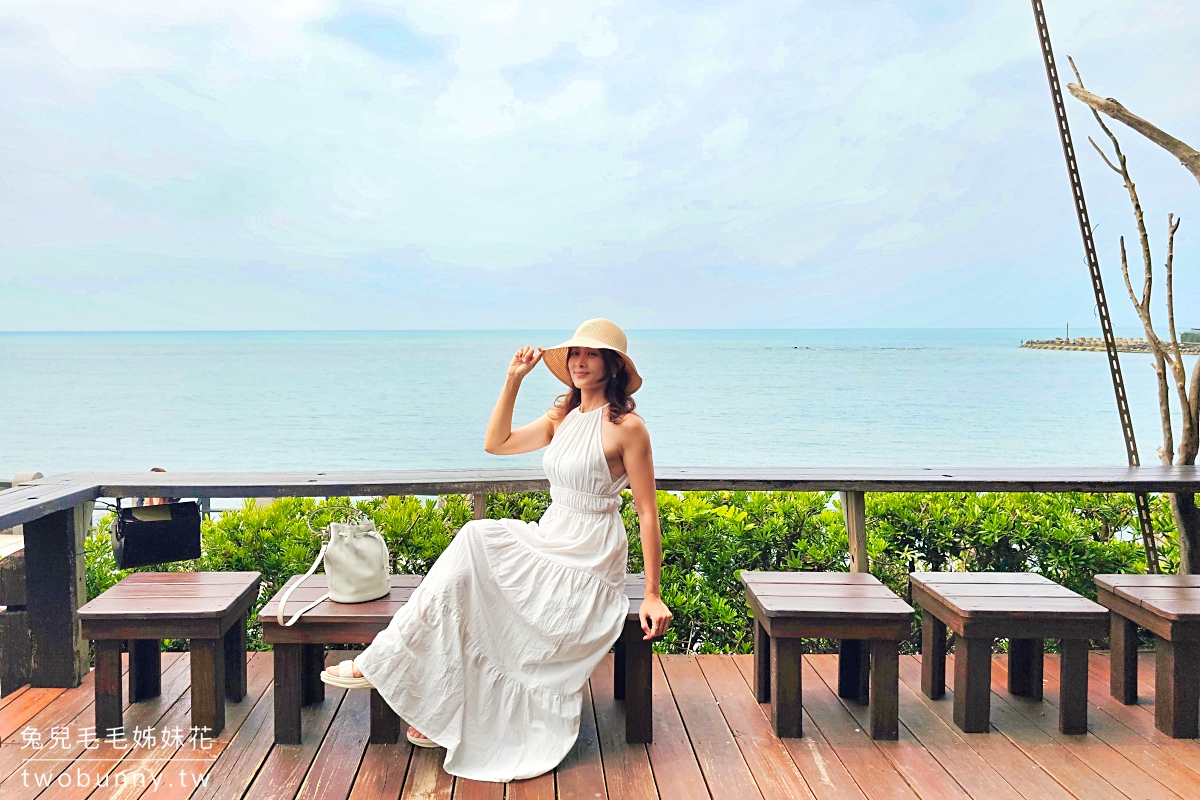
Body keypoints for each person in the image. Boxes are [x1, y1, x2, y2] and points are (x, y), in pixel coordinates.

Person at [320, 318, 672, 782]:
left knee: (479, 550)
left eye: (591, 354)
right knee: (474, 546)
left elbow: (648, 513)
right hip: (552, 534)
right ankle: (420, 689)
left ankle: (387, 667)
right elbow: (496, 444)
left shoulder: (628, 428)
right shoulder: (561, 417)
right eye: (574, 354)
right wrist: (513, 379)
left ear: (613, 365)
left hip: (589, 553)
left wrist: (651, 593)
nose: (579, 362)